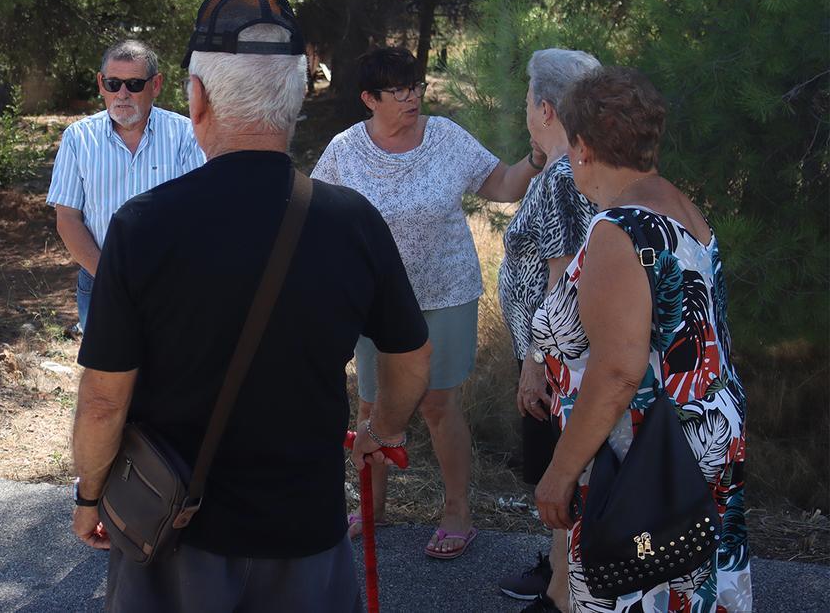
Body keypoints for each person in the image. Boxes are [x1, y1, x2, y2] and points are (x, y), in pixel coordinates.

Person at [70, 0, 432, 612]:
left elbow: (104, 400)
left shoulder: (142, 225)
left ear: (197, 98)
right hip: (305, 530)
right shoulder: (351, 221)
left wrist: (91, 494)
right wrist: (383, 427)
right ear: (294, 98)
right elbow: (409, 358)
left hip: (175, 532)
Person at [311, 46, 544, 559]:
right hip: (375, 303)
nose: (412, 96)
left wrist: (535, 160)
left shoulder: (445, 138)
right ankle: (371, 509)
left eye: (415, 85)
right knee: (372, 407)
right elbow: (318, 217)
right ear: (369, 99)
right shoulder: (345, 149)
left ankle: (457, 511)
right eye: (398, 90)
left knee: (439, 406)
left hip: (446, 294)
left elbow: (500, 185)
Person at [533, 66, 751, 611]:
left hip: (641, 458)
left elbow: (618, 369)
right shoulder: (684, 210)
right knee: (692, 583)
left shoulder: (620, 229)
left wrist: (559, 472)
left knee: (640, 588)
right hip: (700, 436)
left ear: (581, 147)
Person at [495, 48, 600, 612]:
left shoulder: (562, 176)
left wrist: (536, 365)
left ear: (547, 109)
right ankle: (562, 576)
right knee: (563, 474)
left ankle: (563, 594)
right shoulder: (573, 167)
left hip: (555, 357)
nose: (526, 113)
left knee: (562, 476)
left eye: (528, 102)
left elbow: (565, 283)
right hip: (553, 352)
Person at [46, 39, 205, 333]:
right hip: (100, 283)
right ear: (100, 83)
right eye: (113, 83)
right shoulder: (78, 139)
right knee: (107, 378)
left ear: (155, 85)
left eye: (134, 84)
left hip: (169, 285)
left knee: (168, 375)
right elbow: (67, 219)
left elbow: (200, 216)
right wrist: (111, 277)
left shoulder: (186, 136)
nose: (122, 94)